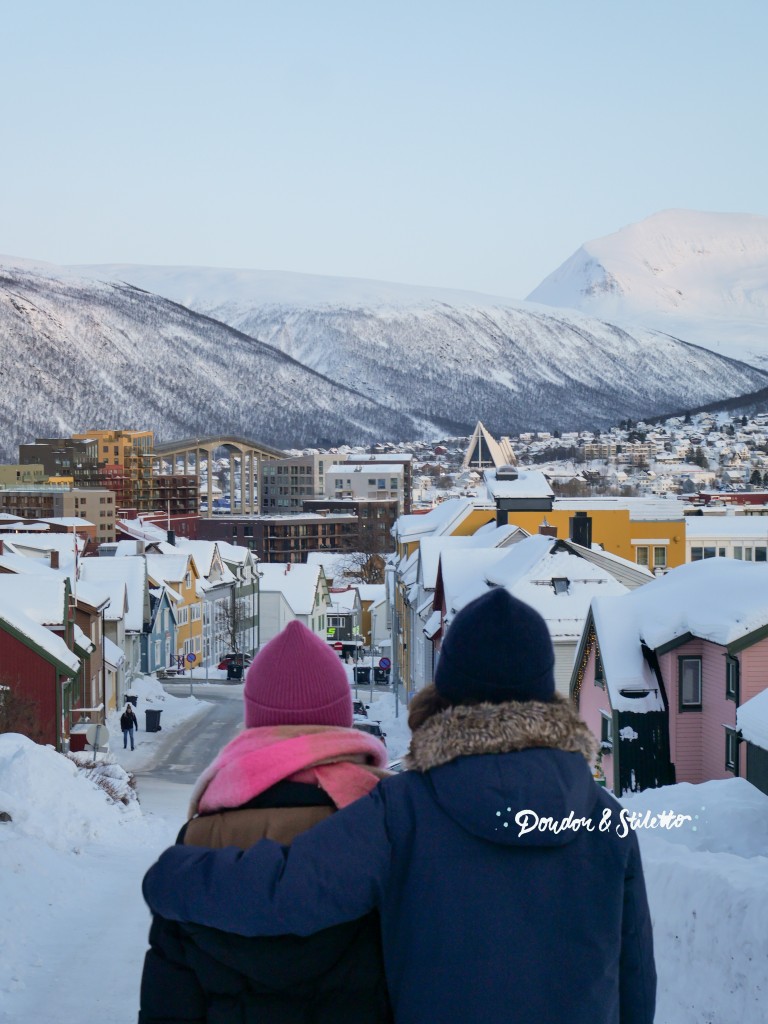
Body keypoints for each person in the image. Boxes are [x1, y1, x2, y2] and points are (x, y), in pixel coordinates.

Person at [144, 589, 657, 1024]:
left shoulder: (404, 809)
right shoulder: (604, 819)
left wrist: (175, 873)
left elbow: (289, 890)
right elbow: (635, 979)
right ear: (547, 695)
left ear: (447, 693)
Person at [139, 620, 392, 1024]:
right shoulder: (385, 829)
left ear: (255, 717)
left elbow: (168, 1006)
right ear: (341, 718)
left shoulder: (199, 840)